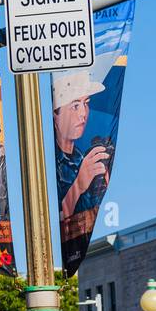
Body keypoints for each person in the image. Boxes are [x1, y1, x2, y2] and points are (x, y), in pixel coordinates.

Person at [53, 71, 109, 222]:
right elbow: (51, 221)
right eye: (75, 106)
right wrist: (78, 185)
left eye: (86, 103)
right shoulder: (47, 162)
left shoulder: (84, 160)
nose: (83, 114)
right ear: (55, 114)